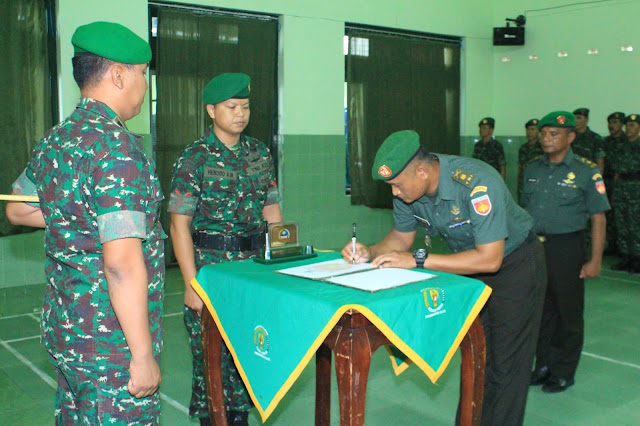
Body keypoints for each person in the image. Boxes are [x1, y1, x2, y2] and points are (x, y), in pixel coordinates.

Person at [5, 21, 165, 424]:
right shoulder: (117, 148)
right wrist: (142, 355)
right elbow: (121, 265)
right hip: (111, 346)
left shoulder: (58, 138)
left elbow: (18, 208)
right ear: (117, 74)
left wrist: (75, 219)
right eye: (143, 74)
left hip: (67, 332)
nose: (145, 86)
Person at [342, 130, 546, 426]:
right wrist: (368, 250)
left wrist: (418, 260)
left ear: (422, 171)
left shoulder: (476, 182)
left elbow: (490, 259)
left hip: (515, 266)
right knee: (477, 357)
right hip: (467, 269)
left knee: (507, 364)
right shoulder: (409, 191)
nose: (395, 193)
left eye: (397, 186)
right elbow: (400, 238)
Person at [169, 73, 282, 426]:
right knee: (211, 365)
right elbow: (179, 225)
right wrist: (191, 284)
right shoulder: (194, 158)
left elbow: (273, 212)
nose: (240, 114)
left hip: (253, 270)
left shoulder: (260, 152)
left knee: (249, 356)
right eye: (232, 107)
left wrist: (283, 258)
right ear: (211, 110)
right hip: (211, 270)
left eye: (245, 107)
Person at [522, 111, 610, 393]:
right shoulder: (532, 168)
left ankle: (563, 370)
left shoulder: (587, 171)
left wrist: (595, 260)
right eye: (544, 133)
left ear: (570, 136)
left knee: (568, 311)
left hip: (567, 247)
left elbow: (598, 219)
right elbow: (523, 211)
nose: (546, 139)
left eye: (554, 134)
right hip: (535, 246)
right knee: (540, 310)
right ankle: (544, 364)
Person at [610, 114, 640, 272]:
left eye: (633, 126)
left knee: (636, 225)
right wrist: (615, 192)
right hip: (622, 187)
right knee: (622, 224)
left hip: (637, 187)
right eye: (627, 125)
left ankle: (637, 259)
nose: (629, 129)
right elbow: (616, 171)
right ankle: (626, 257)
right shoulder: (621, 146)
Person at [602, 112, 627, 254]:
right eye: (610, 123)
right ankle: (611, 245)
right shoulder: (605, 142)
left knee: (622, 215)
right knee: (608, 215)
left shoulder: (627, 141)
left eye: (615, 122)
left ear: (622, 124)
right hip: (606, 181)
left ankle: (624, 249)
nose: (612, 126)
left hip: (623, 183)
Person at [517, 118, 543, 203]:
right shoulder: (523, 148)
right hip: (523, 184)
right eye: (528, 129)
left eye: (533, 129)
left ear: (539, 131)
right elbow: (520, 166)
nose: (529, 132)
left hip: (538, 185)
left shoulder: (543, 148)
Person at [572, 108, 605, 172]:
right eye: (574, 118)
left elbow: (600, 162)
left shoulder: (595, 138)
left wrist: (598, 179)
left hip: (588, 175)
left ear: (586, 120)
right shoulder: (568, 137)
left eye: (579, 118)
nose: (576, 121)